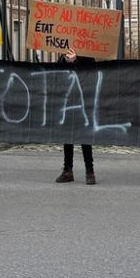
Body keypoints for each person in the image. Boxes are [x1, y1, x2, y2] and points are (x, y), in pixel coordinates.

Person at [55, 48, 96, 185]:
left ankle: (90, 171)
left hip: (84, 99)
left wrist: (77, 60)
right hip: (67, 99)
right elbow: (58, 70)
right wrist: (67, 60)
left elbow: (92, 68)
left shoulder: (88, 51)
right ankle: (67, 170)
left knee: (85, 135)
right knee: (68, 135)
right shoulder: (64, 51)